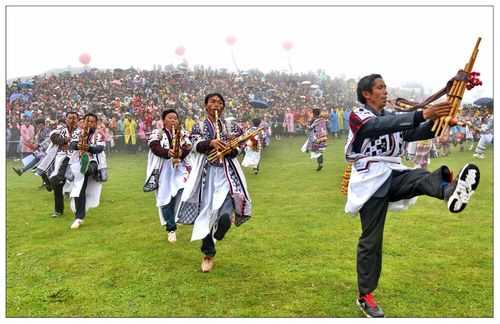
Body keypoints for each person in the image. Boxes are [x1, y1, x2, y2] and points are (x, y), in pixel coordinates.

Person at [345, 74, 480, 318]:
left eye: (385, 86)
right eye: (380, 87)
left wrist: (439, 120)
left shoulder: (391, 117)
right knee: (371, 240)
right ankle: (365, 295)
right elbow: (375, 128)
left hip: (393, 172)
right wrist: (423, 114)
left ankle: (450, 191)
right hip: (369, 180)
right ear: (366, 94)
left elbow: (415, 131)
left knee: (418, 177)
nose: (385, 91)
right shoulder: (358, 115)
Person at [176, 93, 252, 273]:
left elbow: (240, 145)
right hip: (206, 174)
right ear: (206, 106)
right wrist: (211, 142)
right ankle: (208, 254)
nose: (216, 105)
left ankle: (223, 224)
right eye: (212, 102)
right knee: (204, 212)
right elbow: (192, 144)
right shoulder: (199, 126)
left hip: (227, 171)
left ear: (223, 107)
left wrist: (230, 149)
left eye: (219, 102)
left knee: (227, 205)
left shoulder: (231, 125)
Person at [144, 109, 192, 243]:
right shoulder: (157, 132)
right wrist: (167, 152)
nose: (173, 120)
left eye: (175, 118)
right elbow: (153, 146)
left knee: (182, 191)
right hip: (163, 169)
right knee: (165, 199)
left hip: (180, 168)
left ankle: (176, 217)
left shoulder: (182, 133)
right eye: (170, 118)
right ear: (164, 120)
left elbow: (189, 147)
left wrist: (181, 153)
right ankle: (171, 228)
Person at [68, 113, 108, 229]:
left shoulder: (98, 134)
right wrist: (80, 146)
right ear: (84, 122)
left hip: (94, 161)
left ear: (96, 123)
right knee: (79, 189)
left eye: (92, 121)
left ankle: (86, 168)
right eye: (87, 121)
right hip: (77, 161)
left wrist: (88, 148)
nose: (89, 123)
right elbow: (72, 144)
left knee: (88, 169)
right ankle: (79, 217)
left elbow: (99, 148)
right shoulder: (78, 132)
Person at [35, 112, 79, 217]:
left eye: (74, 118)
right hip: (62, 160)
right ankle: (58, 210)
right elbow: (53, 137)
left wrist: (70, 143)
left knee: (76, 185)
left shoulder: (80, 132)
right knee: (58, 184)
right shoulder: (61, 131)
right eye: (70, 118)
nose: (72, 120)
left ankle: (79, 210)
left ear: (77, 120)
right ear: (66, 119)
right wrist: (64, 140)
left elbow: (79, 144)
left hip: (75, 160)